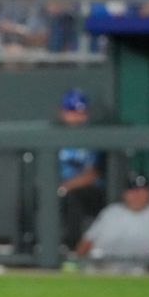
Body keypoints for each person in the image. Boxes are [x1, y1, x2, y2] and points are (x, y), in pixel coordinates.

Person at [56, 88, 105, 250]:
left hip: (89, 192)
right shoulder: (55, 135)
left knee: (73, 198)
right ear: (62, 112)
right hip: (58, 189)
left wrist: (64, 187)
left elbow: (92, 174)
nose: (76, 116)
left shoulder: (92, 137)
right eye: (71, 111)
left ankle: (73, 249)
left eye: (80, 112)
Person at [76, 173, 149, 261]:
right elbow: (87, 242)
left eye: (142, 190)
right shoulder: (111, 212)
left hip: (145, 268)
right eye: (132, 190)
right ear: (124, 193)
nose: (137, 194)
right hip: (104, 266)